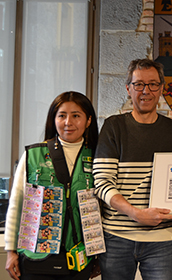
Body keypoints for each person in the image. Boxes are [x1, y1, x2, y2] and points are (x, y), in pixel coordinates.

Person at [93, 58, 172, 280]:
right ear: (128, 89)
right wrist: (136, 214)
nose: (146, 91)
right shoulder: (113, 126)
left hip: (161, 238)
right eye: (139, 84)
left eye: (153, 84)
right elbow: (102, 182)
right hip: (117, 236)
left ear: (161, 88)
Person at [4, 91, 100, 280]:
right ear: (53, 119)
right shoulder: (34, 155)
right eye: (62, 115)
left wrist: (99, 255)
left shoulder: (98, 156)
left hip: (80, 257)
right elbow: (16, 205)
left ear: (88, 121)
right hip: (36, 256)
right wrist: (10, 251)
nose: (68, 122)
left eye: (76, 116)